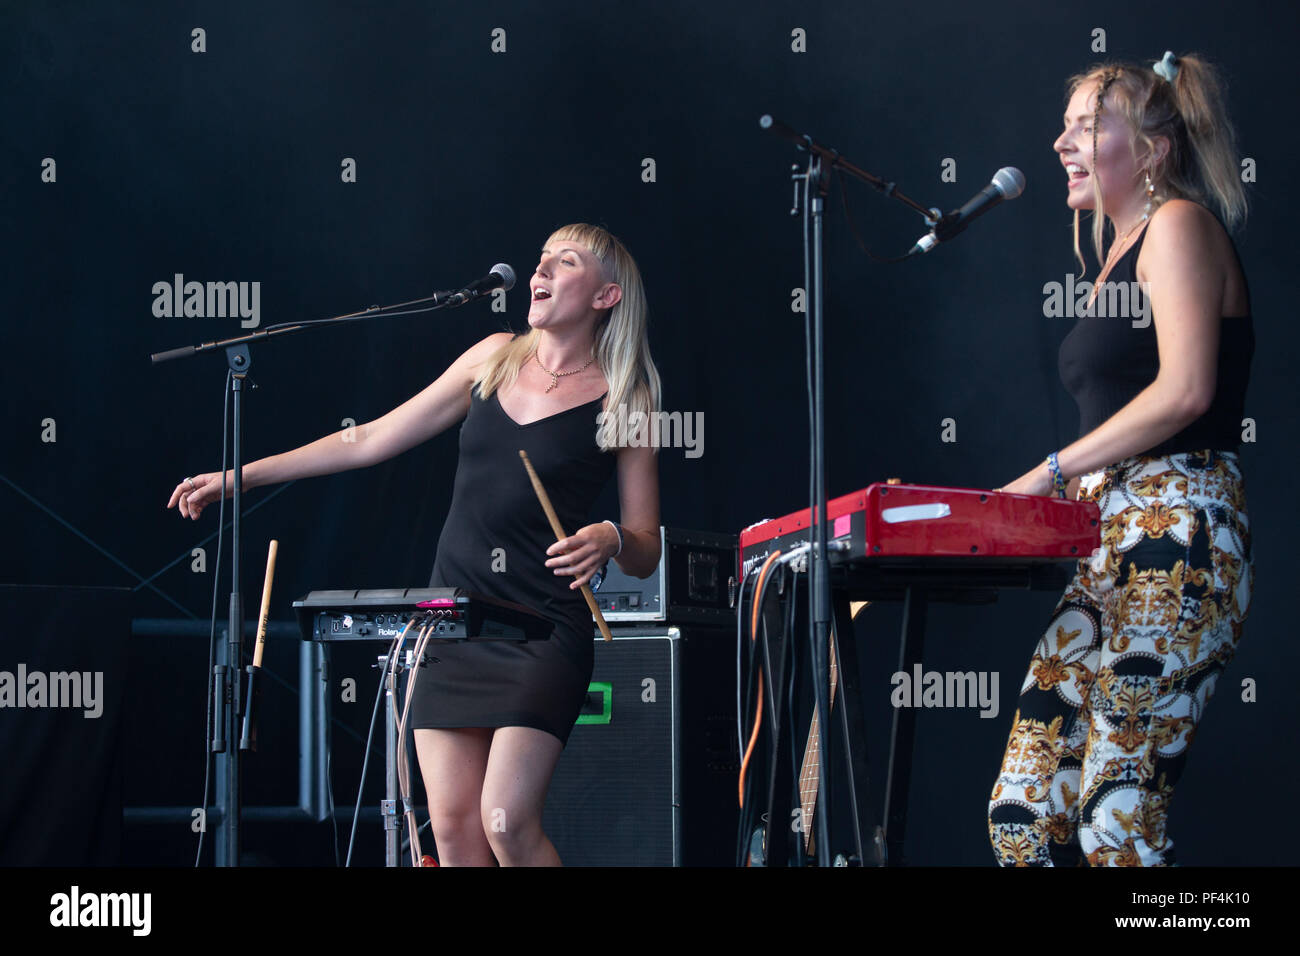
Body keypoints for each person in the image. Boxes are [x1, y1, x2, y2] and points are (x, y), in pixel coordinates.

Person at [167, 223, 663, 866]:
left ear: (606, 296)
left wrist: (611, 536)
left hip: (543, 629)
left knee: (506, 822)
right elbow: (368, 439)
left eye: (563, 262)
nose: (539, 270)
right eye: (539, 258)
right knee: (454, 835)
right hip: (452, 624)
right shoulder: (493, 357)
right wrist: (240, 477)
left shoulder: (628, 397)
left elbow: (646, 544)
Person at [987, 52, 1253, 866]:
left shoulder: (1178, 225)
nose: (1061, 144)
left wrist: (1047, 473)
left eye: (1087, 125)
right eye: (1063, 127)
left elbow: (1185, 391)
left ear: (1151, 148)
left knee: (1114, 823)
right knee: (1023, 819)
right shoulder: (1110, 256)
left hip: (1180, 540)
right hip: (1108, 549)